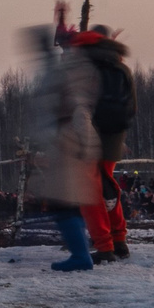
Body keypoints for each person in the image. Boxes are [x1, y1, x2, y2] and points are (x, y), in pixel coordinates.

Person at [24, 27, 102, 270]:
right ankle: (80, 253)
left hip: (66, 140)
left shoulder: (70, 70)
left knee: (63, 201)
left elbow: (71, 105)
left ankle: (80, 255)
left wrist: (78, 140)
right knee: (67, 200)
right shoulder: (79, 68)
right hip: (68, 139)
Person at [83, 26, 137, 262]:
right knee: (108, 189)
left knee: (90, 194)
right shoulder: (122, 68)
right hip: (114, 137)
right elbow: (132, 107)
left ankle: (104, 245)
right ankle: (119, 240)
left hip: (89, 137)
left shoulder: (88, 67)